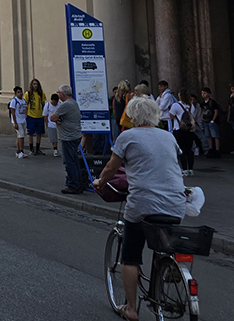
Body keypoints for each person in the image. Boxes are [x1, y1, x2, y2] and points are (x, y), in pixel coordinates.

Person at [93, 96, 186, 321]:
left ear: (132, 116)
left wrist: (100, 182)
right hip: (176, 201)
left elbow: (110, 167)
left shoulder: (128, 136)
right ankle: (170, 261)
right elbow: (174, 166)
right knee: (164, 237)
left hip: (143, 202)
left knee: (131, 255)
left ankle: (132, 308)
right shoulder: (168, 136)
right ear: (155, 115)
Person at [50, 85, 84, 193]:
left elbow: (52, 117)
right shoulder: (73, 102)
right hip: (75, 135)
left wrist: (57, 119)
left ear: (62, 94)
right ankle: (78, 183)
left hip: (68, 137)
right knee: (74, 161)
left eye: (59, 92)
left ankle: (73, 185)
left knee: (69, 162)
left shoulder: (65, 105)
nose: (58, 94)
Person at [169, 90, 197, 176]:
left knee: (182, 150)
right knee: (189, 149)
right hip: (189, 130)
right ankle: (191, 169)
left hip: (179, 129)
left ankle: (184, 168)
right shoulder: (191, 106)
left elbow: (171, 115)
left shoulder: (176, 105)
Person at [199, 86, 223, 158]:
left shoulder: (212, 102)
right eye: (202, 93)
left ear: (209, 94)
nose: (203, 95)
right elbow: (202, 110)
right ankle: (210, 148)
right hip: (205, 121)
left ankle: (217, 149)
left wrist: (213, 119)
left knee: (215, 135)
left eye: (205, 93)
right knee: (208, 135)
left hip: (212, 121)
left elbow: (216, 111)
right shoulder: (203, 103)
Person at [25, 79, 47, 155]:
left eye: (37, 84)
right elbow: (25, 105)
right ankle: (31, 149)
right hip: (31, 115)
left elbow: (43, 104)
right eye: (34, 84)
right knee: (30, 133)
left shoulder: (41, 94)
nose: (35, 86)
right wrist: (26, 115)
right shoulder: (28, 94)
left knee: (39, 133)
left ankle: (38, 148)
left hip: (39, 116)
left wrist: (45, 115)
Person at [8, 86, 28, 158]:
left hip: (23, 120)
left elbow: (25, 110)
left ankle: (18, 150)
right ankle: (21, 151)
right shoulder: (14, 101)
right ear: (15, 93)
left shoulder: (23, 101)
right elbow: (12, 112)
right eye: (18, 92)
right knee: (21, 135)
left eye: (21, 92)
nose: (20, 94)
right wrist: (15, 122)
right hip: (17, 120)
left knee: (20, 136)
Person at [43, 93, 61, 157]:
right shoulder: (47, 105)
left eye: (56, 102)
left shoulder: (60, 105)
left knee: (59, 137)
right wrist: (46, 123)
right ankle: (55, 149)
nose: (55, 103)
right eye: (54, 102)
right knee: (53, 138)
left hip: (59, 124)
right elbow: (45, 115)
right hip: (51, 124)